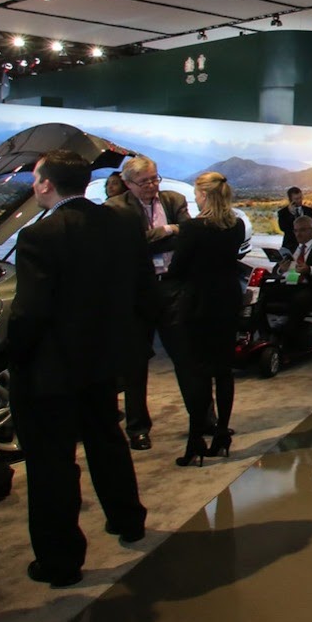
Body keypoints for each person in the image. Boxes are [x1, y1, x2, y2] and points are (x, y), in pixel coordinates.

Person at [8, 150, 151, 587]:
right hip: (105, 359)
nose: (35, 185)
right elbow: (142, 289)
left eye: (36, 178)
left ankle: (60, 561)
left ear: (47, 184)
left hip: (53, 369)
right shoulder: (121, 223)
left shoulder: (41, 235)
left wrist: (16, 357)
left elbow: (30, 312)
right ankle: (128, 520)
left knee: (52, 464)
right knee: (107, 439)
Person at [105, 156, 190, 451]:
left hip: (172, 288)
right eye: (145, 182)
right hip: (137, 294)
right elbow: (129, 246)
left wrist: (155, 238)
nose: (152, 186)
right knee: (135, 365)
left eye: (155, 179)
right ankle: (138, 428)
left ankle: (203, 419)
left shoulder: (174, 200)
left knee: (186, 356)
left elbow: (188, 234)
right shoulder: (114, 209)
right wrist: (167, 231)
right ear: (128, 183)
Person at [164, 171, 246, 467]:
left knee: (198, 372)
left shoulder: (192, 229)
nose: (195, 199)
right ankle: (222, 433)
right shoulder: (236, 226)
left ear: (205, 195)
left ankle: (195, 439)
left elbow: (178, 269)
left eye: (197, 194)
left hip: (198, 304)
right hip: (227, 301)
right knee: (223, 371)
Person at [255, 214, 312, 342]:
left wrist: (310, 270)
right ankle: (265, 334)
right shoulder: (290, 248)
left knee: (300, 298)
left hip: (310, 288)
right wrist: (281, 269)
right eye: (295, 231)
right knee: (259, 292)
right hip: (287, 285)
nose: (298, 234)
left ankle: (287, 337)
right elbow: (276, 271)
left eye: (302, 230)